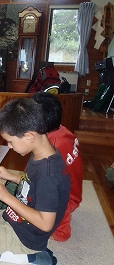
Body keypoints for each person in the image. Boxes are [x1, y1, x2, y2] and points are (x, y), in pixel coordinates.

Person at [0, 97, 71, 265]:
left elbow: (46, 224)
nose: (9, 146)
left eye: (10, 141)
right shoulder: (42, 152)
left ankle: (30, 256)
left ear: (29, 136)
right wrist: (12, 177)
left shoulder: (48, 174)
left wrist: (7, 197)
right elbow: (34, 185)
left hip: (28, 236)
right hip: (15, 218)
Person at [32, 92, 83, 241]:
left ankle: (61, 217)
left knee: (14, 198)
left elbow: (44, 182)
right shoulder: (62, 130)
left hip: (65, 198)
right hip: (74, 192)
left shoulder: (51, 150)